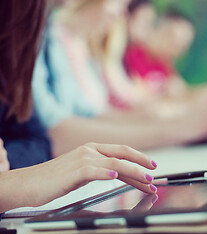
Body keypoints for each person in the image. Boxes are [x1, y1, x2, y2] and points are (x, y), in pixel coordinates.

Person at [0, 0, 157, 214]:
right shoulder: (42, 30)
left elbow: (39, 139)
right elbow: (55, 132)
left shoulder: (28, 26)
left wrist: (10, 166)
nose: (122, 12)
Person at [32, 0, 207, 157]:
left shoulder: (74, 45)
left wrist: (174, 121)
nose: (123, 13)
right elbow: (56, 131)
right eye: (120, 3)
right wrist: (176, 127)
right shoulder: (49, 35)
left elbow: (96, 113)